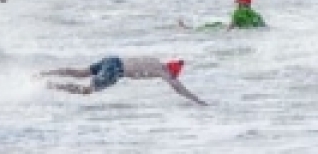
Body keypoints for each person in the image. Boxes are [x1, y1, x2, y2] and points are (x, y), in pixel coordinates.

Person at [42, 58, 206, 104]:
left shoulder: (155, 61)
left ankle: (44, 73)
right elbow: (178, 88)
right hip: (116, 71)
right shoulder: (162, 72)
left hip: (113, 60)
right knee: (87, 91)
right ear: (172, 71)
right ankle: (51, 85)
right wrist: (197, 100)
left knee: (80, 73)